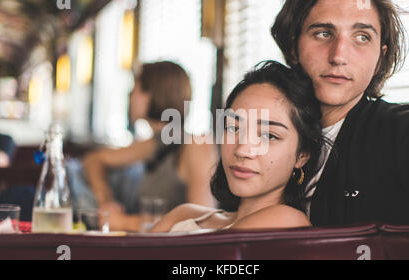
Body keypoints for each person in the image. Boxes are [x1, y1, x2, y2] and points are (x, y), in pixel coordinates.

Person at [271, 0, 409, 226]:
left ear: (380, 57)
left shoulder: (402, 133)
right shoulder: (264, 130)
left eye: (362, 37)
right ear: (294, 47)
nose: (339, 56)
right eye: (323, 33)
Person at [150, 61, 325, 233]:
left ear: (302, 155)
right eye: (233, 128)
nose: (242, 150)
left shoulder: (287, 220)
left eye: (269, 135)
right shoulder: (184, 214)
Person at [80, 61, 218, 231]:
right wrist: (106, 201)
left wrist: (124, 221)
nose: (129, 96)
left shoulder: (196, 145)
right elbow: (94, 159)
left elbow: (203, 221)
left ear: (152, 94)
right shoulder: (157, 142)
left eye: (135, 90)